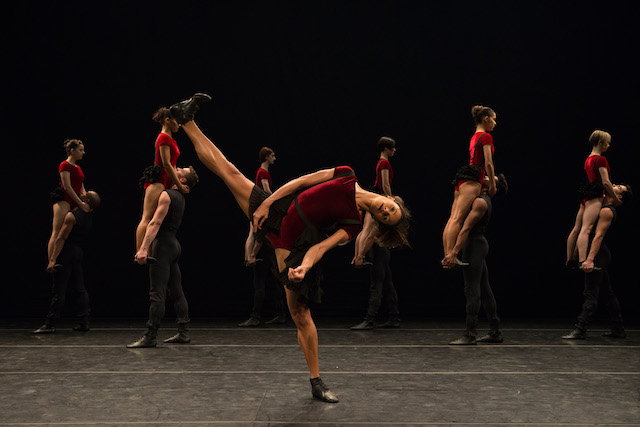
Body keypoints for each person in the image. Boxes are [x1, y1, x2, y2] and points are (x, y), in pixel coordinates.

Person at [169, 93, 410, 403]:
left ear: (378, 219)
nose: (386, 211)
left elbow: (320, 249)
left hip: (293, 244)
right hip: (277, 209)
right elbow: (300, 182)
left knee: (300, 313)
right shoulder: (346, 173)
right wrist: (267, 202)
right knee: (228, 170)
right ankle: (185, 118)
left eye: (386, 217)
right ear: (389, 199)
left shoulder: (351, 225)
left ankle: (316, 381)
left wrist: (304, 268)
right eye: (391, 208)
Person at [127, 166, 200, 348]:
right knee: (176, 291)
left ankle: (150, 336)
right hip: (173, 245)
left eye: (181, 170)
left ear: (182, 180)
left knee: (156, 293)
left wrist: (143, 248)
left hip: (163, 247)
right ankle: (183, 332)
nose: (177, 169)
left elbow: (155, 222)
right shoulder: (181, 198)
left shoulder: (167, 195)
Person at [442, 174, 508, 345]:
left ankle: (470, 334)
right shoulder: (477, 198)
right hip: (475, 244)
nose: (486, 176)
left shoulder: (481, 202)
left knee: (471, 290)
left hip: (474, 245)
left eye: (490, 177)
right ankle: (495, 331)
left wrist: (454, 252)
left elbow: (466, 228)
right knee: (484, 289)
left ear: (492, 187)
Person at [563, 183, 632, 340]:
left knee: (590, 293)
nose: (613, 185)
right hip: (596, 254)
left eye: (618, 188)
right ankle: (618, 327)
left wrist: (589, 259)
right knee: (607, 293)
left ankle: (581, 328)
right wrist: (574, 254)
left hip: (598, 256)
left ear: (619, 197)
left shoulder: (607, 211)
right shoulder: (599, 205)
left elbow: (598, 236)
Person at [351, 137, 401, 330]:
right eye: (393, 148)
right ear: (387, 149)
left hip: (378, 198)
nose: (395, 150)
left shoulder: (381, 162)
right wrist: (390, 201)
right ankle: (390, 317)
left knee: (381, 279)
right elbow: (386, 185)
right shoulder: (385, 162)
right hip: (381, 195)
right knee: (383, 279)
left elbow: (367, 233)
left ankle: (374, 318)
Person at [34, 191, 101, 334]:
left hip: (66, 252)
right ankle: (84, 322)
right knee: (79, 288)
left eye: (85, 194)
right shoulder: (88, 217)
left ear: (86, 200)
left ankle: (50, 324)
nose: (82, 193)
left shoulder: (72, 216)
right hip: (78, 252)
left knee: (59, 289)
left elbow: (61, 238)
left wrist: (52, 260)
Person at [239, 146, 287, 327]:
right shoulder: (263, 173)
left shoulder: (261, 173)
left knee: (270, 277)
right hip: (265, 218)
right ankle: (260, 315)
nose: (275, 158)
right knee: (267, 276)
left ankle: (267, 315)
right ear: (267, 157)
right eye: (273, 155)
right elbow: (267, 194)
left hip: (264, 230)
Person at [442, 106, 497, 263]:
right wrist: (492, 184)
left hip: (463, 176)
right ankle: (449, 257)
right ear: (486, 118)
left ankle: (447, 255)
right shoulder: (486, 137)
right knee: (458, 219)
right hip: (473, 178)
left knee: (453, 218)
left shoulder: (474, 137)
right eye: (493, 119)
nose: (495, 123)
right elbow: (488, 163)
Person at [135, 106, 190, 257]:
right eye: (176, 121)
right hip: (158, 179)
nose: (178, 125)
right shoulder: (163, 137)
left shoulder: (170, 139)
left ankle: (148, 251)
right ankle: (140, 251)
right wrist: (178, 185)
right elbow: (166, 163)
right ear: (167, 120)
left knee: (154, 217)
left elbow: (172, 164)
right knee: (147, 217)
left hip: (165, 180)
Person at [566, 130, 622, 269]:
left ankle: (570, 259)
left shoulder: (588, 159)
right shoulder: (600, 159)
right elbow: (606, 182)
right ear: (601, 143)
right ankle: (582, 261)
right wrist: (615, 198)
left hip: (585, 193)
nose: (608, 146)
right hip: (594, 195)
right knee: (587, 228)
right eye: (607, 143)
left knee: (577, 228)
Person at [48, 139, 90, 262]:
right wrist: (80, 203)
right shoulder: (65, 165)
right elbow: (67, 187)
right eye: (80, 150)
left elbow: (81, 186)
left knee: (67, 232)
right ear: (72, 151)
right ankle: (51, 261)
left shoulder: (78, 168)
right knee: (56, 231)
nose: (83, 153)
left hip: (75, 199)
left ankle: (61, 257)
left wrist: (85, 197)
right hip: (65, 199)